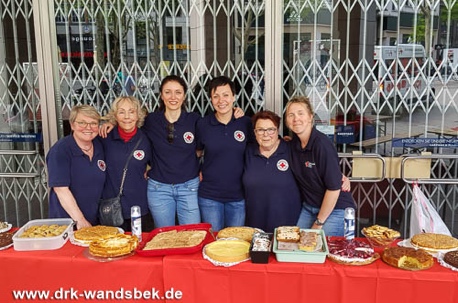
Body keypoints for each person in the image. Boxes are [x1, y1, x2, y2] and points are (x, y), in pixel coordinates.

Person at [285, 96, 355, 236]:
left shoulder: (322, 145)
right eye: (291, 115)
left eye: (300, 113)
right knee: (299, 248)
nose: (295, 119)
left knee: (318, 250)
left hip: (335, 208)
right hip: (309, 207)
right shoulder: (292, 145)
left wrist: (319, 223)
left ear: (310, 117)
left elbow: (334, 188)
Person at [196, 76, 254, 232]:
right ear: (211, 99)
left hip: (238, 196)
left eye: (226, 95)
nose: (221, 100)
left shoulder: (245, 123)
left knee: (234, 244)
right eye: (216, 96)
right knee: (213, 242)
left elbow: (260, 147)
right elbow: (197, 153)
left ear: (234, 97)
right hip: (209, 196)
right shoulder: (203, 124)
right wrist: (197, 170)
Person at [142, 75, 202, 227]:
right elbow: (128, 124)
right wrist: (109, 122)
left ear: (184, 95)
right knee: (164, 237)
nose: (173, 97)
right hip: (158, 188)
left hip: (189, 187)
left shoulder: (194, 119)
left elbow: (201, 149)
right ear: (161, 95)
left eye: (178, 92)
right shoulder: (151, 120)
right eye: (168, 92)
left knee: (191, 235)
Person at [100, 96, 154, 231]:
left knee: (139, 245)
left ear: (138, 115)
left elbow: (158, 163)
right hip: (112, 207)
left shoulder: (146, 139)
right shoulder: (104, 137)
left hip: (139, 207)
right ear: (115, 116)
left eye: (131, 111)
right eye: (121, 112)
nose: (127, 117)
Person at [47, 105, 105, 230]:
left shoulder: (99, 145)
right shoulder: (61, 151)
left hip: (94, 220)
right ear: (72, 125)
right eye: (82, 123)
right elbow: (61, 190)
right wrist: (80, 220)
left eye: (93, 123)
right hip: (67, 223)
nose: (88, 128)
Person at [242, 110, 302, 233]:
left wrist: (338, 175)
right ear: (254, 132)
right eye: (260, 130)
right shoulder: (247, 152)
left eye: (271, 129)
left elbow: (314, 167)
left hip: (287, 227)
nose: (266, 134)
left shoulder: (291, 149)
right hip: (254, 227)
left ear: (277, 130)